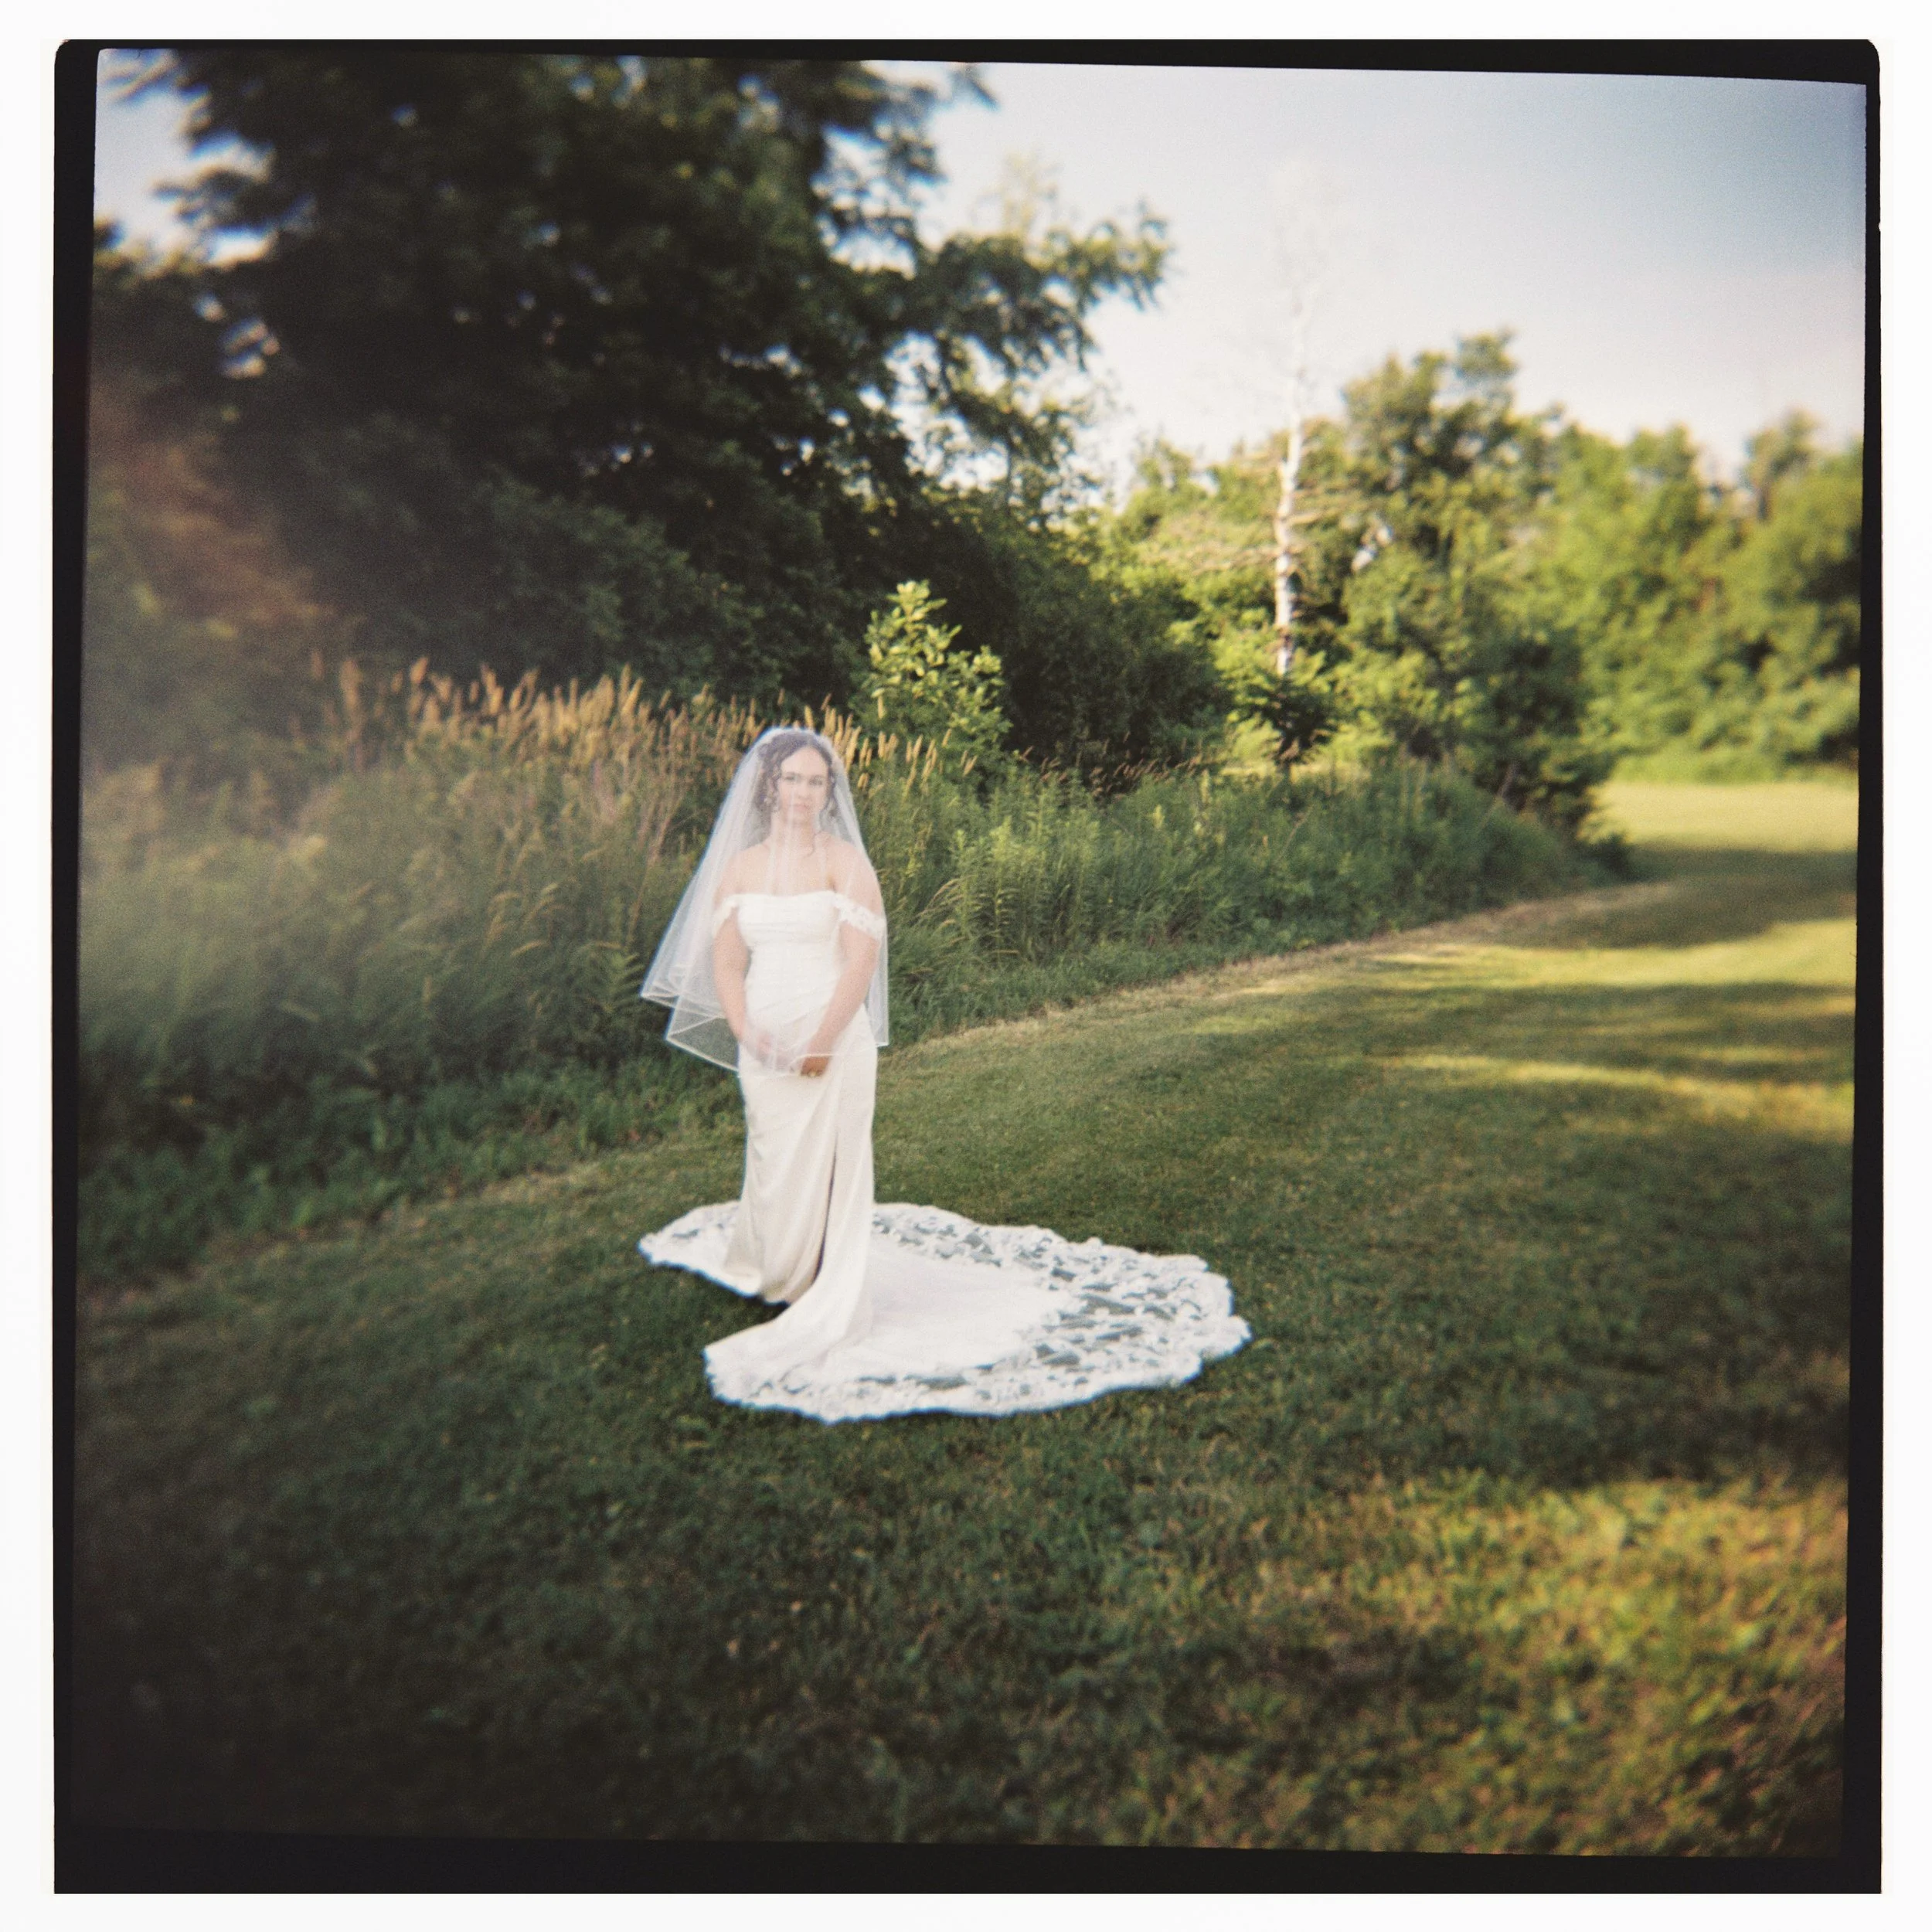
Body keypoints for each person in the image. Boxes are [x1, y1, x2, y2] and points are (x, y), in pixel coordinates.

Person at [638, 726, 1250, 1423]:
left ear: (829, 792)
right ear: (769, 787)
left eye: (816, 781)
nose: (803, 792)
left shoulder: (845, 863)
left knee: (834, 1163)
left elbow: (861, 962)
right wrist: (749, 1032)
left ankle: (825, 1282)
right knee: (773, 1157)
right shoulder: (740, 868)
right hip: (764, 1040)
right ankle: (775, 1267)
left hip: (832, 1037)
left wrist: (822, 1041)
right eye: (792, 779)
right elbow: (726, 962)